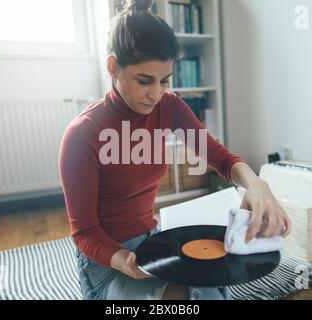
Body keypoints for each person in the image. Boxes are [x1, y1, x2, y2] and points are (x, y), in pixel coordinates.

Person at [59, 0, 291, 300]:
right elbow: (84, 232)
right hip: (106, 261)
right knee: (178, 299)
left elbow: (219, 157)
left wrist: (257, 184)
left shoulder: (169, 107)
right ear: (113, 67)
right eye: (144, 81)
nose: (156, 94)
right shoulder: (82, 134)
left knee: (208, 292)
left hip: (151, 243)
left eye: (165, 81)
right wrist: (124, 262)